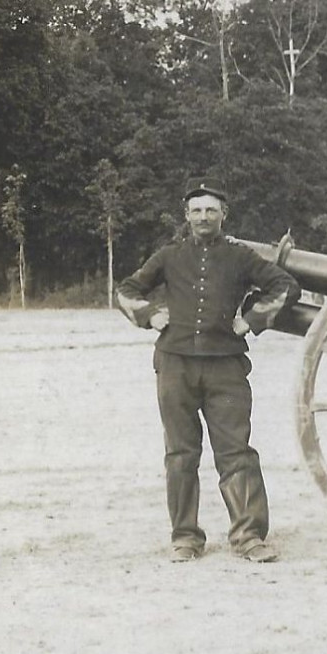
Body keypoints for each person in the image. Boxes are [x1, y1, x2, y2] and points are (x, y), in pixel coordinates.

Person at [117, 178, 300, 562]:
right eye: (197, 210)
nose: (204, 217)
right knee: (181, 454)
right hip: (175, 366)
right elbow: (126, 290)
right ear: (187, 216)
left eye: (211, 210)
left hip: (226, 369)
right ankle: (185, 538)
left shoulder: (240, 256)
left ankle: (249, 536)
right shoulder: (168, 256)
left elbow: (284, 286)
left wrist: (250, 320)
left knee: (236, 453)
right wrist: (151, 316)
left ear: (223, 215)